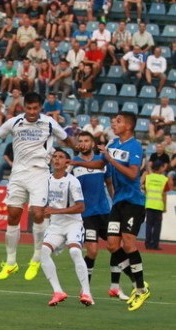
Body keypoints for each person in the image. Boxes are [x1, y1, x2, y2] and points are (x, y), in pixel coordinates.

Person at [0, 92, 77, 281]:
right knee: (13, 215)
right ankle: (11, 262)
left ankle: (36, 258)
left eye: (35, 108)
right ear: (23, 107)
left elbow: (67, 140)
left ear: (40, 108)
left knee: (38, 212)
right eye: (28, 108)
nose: (32, 112)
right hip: (18, 174)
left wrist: (82, 150)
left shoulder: (49, 123)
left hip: (39, 173)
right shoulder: (14, 122)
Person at [68, 112, 150, 311]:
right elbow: (100, 164)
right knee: (113, 245)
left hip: (133, 202)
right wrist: (78, 163)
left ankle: (140, 288)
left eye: (118, 121)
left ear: (129, 126)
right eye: (113, 121)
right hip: (118, 204)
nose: (114, 123)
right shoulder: (113, 144)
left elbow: (132, 174)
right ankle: (122, 284)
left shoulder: (134, 146)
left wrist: (110, 158)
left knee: (129, 243)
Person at [40, 148, 93, 306]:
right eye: (55, 157)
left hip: (73, 223)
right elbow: (44, 205)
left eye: (61, 157)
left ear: (67, 162)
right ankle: (58, 291)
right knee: (43, 252)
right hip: (56, 225)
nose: (57, 159)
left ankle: (86, 292)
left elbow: (81, 207)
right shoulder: (46, 180)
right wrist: (39, 210)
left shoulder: (72, 181)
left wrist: (55, 210)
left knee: (75, 251)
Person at [71, 132, 122, 295]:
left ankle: (115, 286)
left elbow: (109, 184)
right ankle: (85, 289)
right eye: (80, 141)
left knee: (117, 247)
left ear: (93, 144)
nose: (84, 143)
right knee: (92, 251)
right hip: (87, 215)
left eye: (87, 140)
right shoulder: (73, 164)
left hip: (105, 212)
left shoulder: (102, 162)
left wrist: (117, 203)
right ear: (77, 144)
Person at [144, 161, 170, 250]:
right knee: (157, 227)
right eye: (163, 167)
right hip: (158, 205)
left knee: (148, 225)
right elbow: (164, 194)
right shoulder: (164, 179)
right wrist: (165, 207)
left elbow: (145, 189)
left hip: (149, 204)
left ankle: (147, 244)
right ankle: (155, 245)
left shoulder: (148, 177)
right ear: (160, 168)